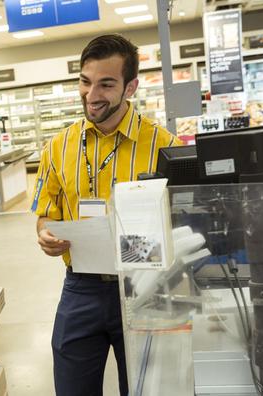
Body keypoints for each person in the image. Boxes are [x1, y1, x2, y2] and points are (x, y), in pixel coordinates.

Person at [31, 34, 181, 396]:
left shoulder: (165, 146)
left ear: (131, 86)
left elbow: (184, 221)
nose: (91, 94)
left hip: (145, 285)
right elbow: (44, 214)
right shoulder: (57, 146)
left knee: (148, 389)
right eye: (85, 81)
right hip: (80, 286)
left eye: (106, 84)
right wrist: (45, 235)